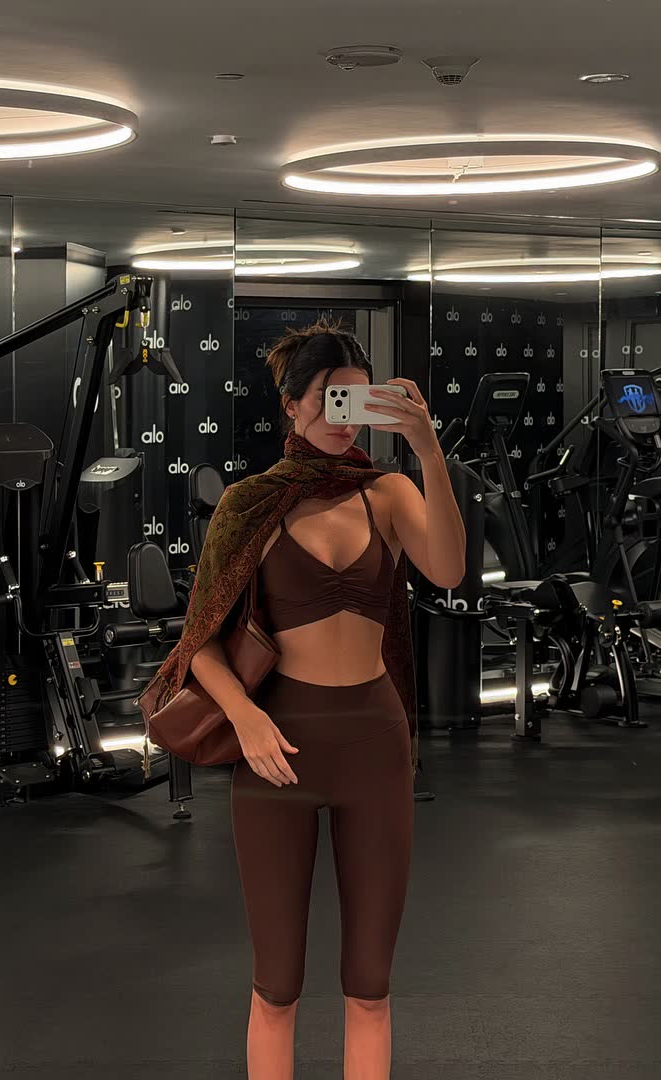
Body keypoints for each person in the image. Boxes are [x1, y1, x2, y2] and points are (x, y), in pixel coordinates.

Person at [140, 321, 466, 1080]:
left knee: (370, 985)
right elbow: (200, 640)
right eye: (328, 398)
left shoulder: (389, 492)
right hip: (275, 751)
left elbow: (449, 570)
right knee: (277, 983)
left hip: (374, 746)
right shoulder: (249, 504)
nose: (343, 416)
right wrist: (246, 717)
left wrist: (428, 451)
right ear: (290, 405)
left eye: (357, 399)